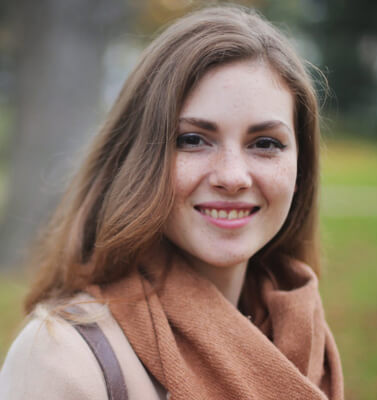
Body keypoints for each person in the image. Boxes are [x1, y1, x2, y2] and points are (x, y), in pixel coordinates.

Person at [0, 5, 344, 400]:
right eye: (192, 139)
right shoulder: (62, 360)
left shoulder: (306, 339)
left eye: (265, 143)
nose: (232, 176)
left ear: (301, 170)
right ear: (136, 159)